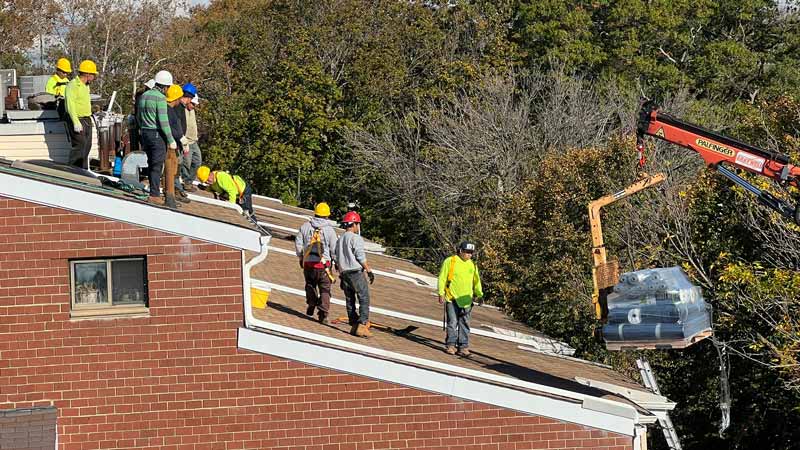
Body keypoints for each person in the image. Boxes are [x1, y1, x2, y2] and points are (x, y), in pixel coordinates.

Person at [137, 70, 177, 205]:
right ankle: (154, 194)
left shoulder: (144, 95)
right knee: (156, 165)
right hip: (156, 134)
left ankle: (154, 191)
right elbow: (163, 121)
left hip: (145, 133)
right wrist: (171, 139)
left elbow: (138, 117)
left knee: (150, 163)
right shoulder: (160, 98)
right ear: (165, 86)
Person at [437, 241, 484, 356]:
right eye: (467, 252)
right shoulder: (450, 261)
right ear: (460, 251)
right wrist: (441, 293)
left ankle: (463, 347)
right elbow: (442, 277)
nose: (469, 255)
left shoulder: (472, 265)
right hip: (451, 297)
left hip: (467, 300)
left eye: (471, 253)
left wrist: (480, 294)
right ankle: (451, 345)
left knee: (465, 323)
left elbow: (476, 281)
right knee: (452, 322)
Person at [294, 202, 338, 324]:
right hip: (324, 267)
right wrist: (336, 262)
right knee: (325, 289)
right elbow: (334, 249)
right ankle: (323, 314)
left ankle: (312, 302)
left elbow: (298, 244)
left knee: (310, 284)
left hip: (308, 264)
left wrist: (301, 257)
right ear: (327, 216)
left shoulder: (305, 227)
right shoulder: (330, 231)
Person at [334, 211, 375, 337]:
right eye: (358, 224)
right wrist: (369, 270)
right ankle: (362, 325)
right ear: (354, 224)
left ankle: (353, 324)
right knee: (364, 297)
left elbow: (336, 257)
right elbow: (360, 256)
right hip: (355, 272)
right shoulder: (356, 238)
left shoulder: (340, 239)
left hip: (344, 273)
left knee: (350, 299)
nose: (358, 227)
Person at [64, 60, 98, 169]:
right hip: (77, 119)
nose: (94, 76)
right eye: (93, 74)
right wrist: (75, 121)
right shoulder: (73, 85)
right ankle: (73, 171)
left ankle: (83, 170)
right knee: (79, 146)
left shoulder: (86, 86)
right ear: (87, 74)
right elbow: (70, 104)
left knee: (87, 146)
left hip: (86, 119)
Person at [165, 84, 189, 206]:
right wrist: (180, 138)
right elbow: (170, 126)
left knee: (175, 167)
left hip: (175, 142)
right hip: (171, 144)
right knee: (172, 168)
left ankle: (173, 192)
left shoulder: (174, 109)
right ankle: (171, 193)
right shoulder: (169, 110)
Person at [179, 85, 202, 191]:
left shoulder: (191, 110)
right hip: (186, 141)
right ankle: (186, 182)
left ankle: (189, 180)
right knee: (186, 163)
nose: (194, 106)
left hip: (194, 141)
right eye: (193, 103)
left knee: (197, 161)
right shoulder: (181, 109)